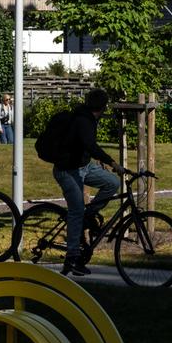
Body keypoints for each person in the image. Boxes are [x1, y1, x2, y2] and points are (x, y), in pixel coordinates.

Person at [50, 88, 123, 276]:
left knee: (112, 183)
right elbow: (90, 145)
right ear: (103, 107)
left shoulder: (89, 118)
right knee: (76, 211)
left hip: (84, 166)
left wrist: (99, 161)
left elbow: (86, 145)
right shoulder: (83, 120)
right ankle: (72, 258)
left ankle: (88, 216)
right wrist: (112, 162)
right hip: (67, 170)